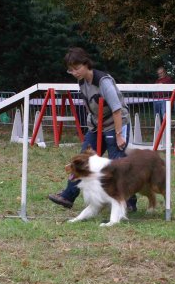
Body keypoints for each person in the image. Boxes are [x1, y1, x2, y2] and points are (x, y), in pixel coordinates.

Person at [48, 47, 136, 211]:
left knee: (116, 164)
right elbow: (90, 105)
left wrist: (118, 135)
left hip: (116, 123)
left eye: (77, 68)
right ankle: (68, 196)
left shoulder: (103, 82)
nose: (75, 72)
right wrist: (92, 125)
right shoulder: (81, 81)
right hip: (96, 126)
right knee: (82, 161)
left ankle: (129, 202)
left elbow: (117, 109)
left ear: (86, 63)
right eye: (71, 70)